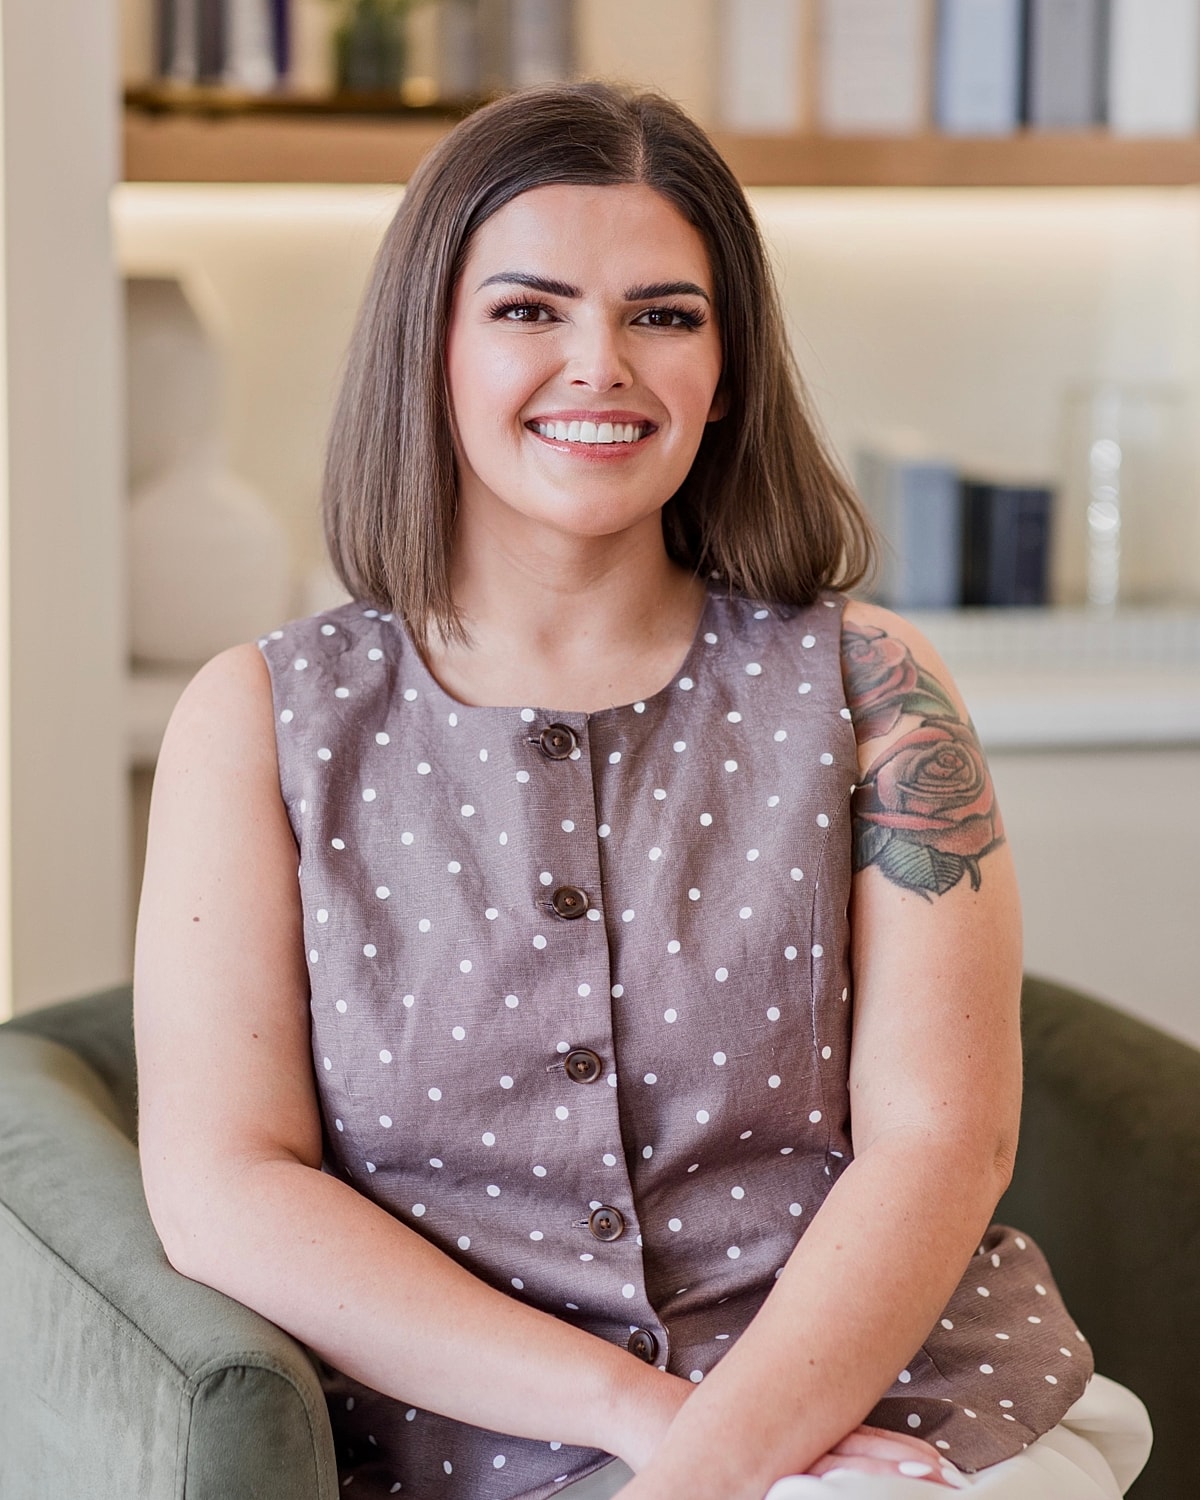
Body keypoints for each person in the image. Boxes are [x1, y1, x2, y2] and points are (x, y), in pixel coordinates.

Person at [133, 81, 1152, 1500]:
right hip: (478, 1454)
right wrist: (649, 1421)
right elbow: (228, 1185)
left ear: (725, 370)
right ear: (429, 349)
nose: (599, 364)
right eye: (528, 310)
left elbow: (946, 1140)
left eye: (664, 315)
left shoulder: (872, 686)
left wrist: (725, 1462)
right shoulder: (259, 721)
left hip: (899, 1425)